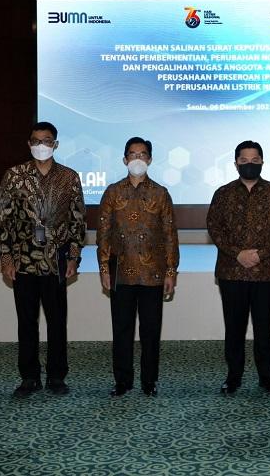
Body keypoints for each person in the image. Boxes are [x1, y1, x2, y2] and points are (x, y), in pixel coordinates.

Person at [0, 121, 86, 398]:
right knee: (27, 321)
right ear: (28, 143)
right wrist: (6, 258)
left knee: (57, 321)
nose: (41, 145)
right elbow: (3, 219)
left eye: (46, 140)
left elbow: (78, 220)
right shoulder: (14, 175)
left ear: (55, 144)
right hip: (23, 260)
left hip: (56, 261)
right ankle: (29, 377)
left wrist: (73, 257)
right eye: (36, 140)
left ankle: (57, 376)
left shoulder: (69, 177)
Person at [97, 137, 179, 398]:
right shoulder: (112, 192)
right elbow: (103, 233)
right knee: (121, 330)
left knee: (150, 331)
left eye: (143, 155)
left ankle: (149, 382)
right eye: (132, 155)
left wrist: (171, 272)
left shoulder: (161, 193)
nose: (137, 159)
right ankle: (122, 381)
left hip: (153, 274)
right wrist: (103, 269)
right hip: (121, 271)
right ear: (124, 160)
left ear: (150, 160)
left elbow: (169, 235)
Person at [207, 140, 270, 395]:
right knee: (234, 327)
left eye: (255, 160)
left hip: (266, 272)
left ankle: (267, 377)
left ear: (263, 162)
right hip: (232, 271)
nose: (249, 165)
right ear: (235, 164)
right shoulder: (223, 193)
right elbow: (214, 227)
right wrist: (237, 254)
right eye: (244, 161)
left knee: (264, 327)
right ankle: (233, 377)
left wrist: (259, 255)